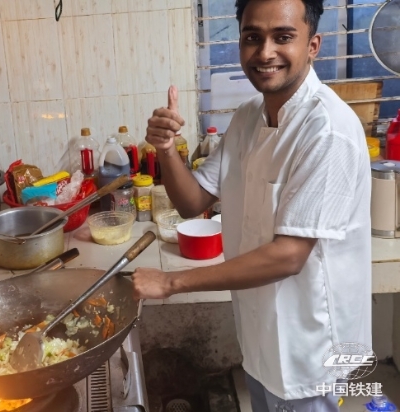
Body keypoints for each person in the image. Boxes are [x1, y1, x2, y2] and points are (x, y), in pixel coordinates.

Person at [132, 0, 372, 410]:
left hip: (313, 353)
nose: (265, 52)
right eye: (252, 37)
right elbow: (192, 202)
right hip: (262, 339)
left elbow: (289, 255)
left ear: (313, 45)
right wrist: (166, 149)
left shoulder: (328, 131)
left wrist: (171, 283)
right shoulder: (247, 118)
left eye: (283, 37)